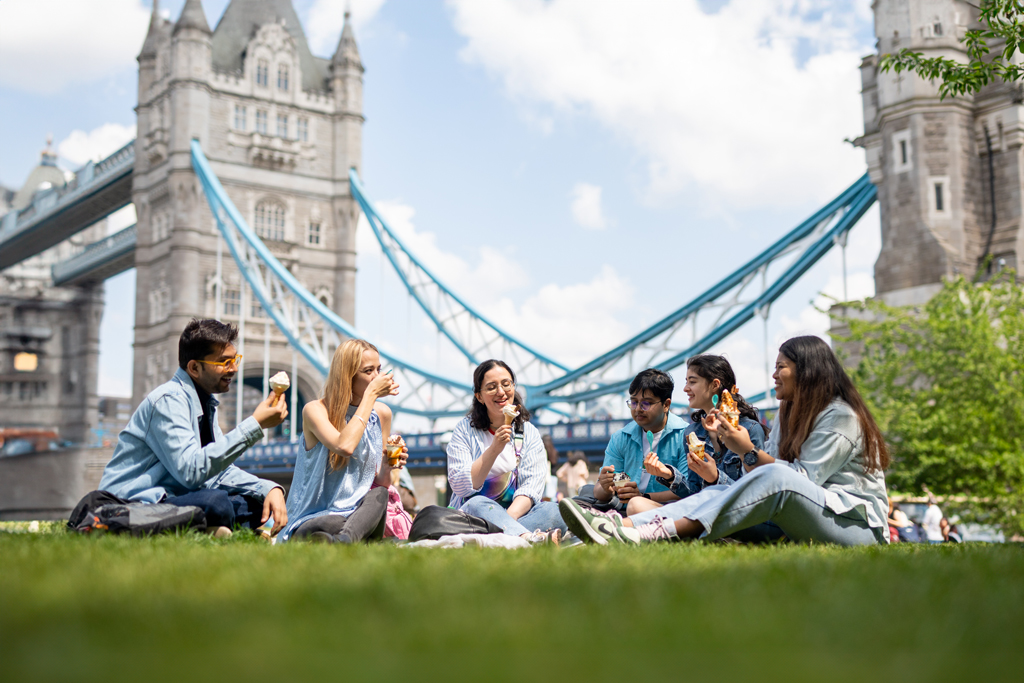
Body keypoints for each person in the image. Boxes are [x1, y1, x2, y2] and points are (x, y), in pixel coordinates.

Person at [560, 336, 891, 546]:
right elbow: (757, 481)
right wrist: (729, 463)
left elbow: (793, 481)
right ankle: (619, 527)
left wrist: (744, 449)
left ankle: (659, 531)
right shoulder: (787, 414)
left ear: (808, 371)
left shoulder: (840, 416)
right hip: (794, 519)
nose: (773, 374)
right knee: (718, 490)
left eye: (781, 367)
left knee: (757, 480)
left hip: (854, 526)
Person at [96, 319, 288, 535]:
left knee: (255, 504)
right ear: (194, 368)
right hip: (130, 503)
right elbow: (191, 472)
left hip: (173, 500)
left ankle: (206, 528)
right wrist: (256, 425)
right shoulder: (168, 400)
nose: (234, 368)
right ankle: (208, 528)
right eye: (224, 362)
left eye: (235, 359)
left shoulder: (206, 401)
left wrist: (267, 488)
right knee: (216, 503)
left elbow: (218, 473)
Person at [278, 339, 408, 544]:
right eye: (368, 371)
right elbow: (344, 446)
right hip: (315, 517)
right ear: (348, 376)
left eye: (379, 369)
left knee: (380, 494)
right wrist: (371, 395)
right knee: (331, 522)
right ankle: (348, 539)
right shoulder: (315, 410)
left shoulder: (382, 414)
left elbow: (380, 483)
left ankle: (343, 540)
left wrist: (386, 466)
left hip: (357, 514)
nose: (377, 377)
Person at [446, 359, 567, 543]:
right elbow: (461, 487)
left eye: (506, 384)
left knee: (553, 511)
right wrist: (494, 449)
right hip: (474, 517)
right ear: (479, 396)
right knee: (477, 503)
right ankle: (527, 538)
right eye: (491, 387)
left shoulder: (529, 433)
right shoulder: (464, 431)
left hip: (515, 516)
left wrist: (505, 521)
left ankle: (503, 537)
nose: (501, 392)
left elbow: (531, 487)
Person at [630, 355, 767, 514]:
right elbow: (694, 493)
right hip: (700, 511)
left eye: (692, 382)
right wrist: (668, 475)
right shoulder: (692, 432)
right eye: (686, 381)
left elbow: (753, 496)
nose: (685, 388)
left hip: (733, 515)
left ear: (715, 384)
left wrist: (714, 477)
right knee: (636, 505)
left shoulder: (749, 430)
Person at [574, 369, 688, 513]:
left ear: (666, 405)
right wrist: (605, 486)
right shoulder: (620, 437)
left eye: (646, 403)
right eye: (633, 402)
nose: (638, 409)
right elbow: (601, 493)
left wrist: (643, 497)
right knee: (582, 495)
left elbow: (689, 490)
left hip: (666, 509)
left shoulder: (685, 435)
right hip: (623, 507)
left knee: (636, 505)